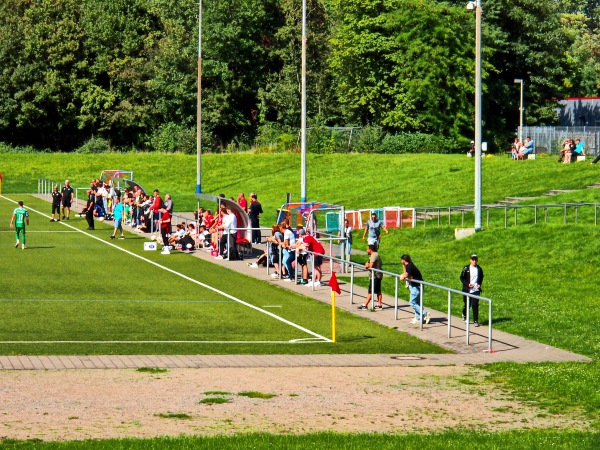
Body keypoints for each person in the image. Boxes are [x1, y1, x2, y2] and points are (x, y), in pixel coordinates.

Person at [400, 254, 430, 324]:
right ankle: (418, 318)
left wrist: (403, 277)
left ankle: (425, 313)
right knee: (417, 303)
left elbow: (410, 276)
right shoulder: (409, 265)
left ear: (404, 260)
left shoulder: (409, 266)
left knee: (412, 303)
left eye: (401, 260)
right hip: (418, 286)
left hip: (416, 287)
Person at [460, 254, 484, 327]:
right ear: (470, 260)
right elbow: (461, 278)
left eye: (475, 260)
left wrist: (479, 284)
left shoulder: (479, 269)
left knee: (475, 305)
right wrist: (467, 284)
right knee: (467, 304)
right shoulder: (466, 268)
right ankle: (465, 315)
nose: (474, 261)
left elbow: (481, 277)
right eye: (473, 260)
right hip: (467, 289)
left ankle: (475, 320)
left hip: (475, 289)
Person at [357, 245, 383, 310]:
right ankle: (379, 305)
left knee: (371, 291)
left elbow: (370, 266)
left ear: (370, 250)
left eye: (367, 249)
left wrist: (367, 265)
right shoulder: (373, 256)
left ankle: (365, 305)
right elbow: (367, 263)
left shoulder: (374, 255)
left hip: (375, 276)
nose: (366, 250)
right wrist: (367, 265)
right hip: (376, 276)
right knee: (378, 290)